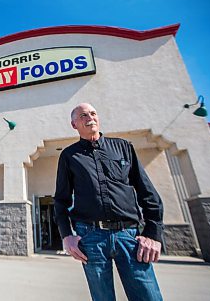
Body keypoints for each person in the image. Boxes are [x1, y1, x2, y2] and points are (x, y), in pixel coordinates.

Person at [54, 103, 164, 300]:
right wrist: (66, 236)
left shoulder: (123, 147)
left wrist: (153, 233)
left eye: (93, 113)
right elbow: (61, 200)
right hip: (91, 238)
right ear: (74, 125)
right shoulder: (69, 156)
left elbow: (147, 192)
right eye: (83, 115)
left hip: (129, 237)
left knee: (148, 296)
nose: (90, 117)